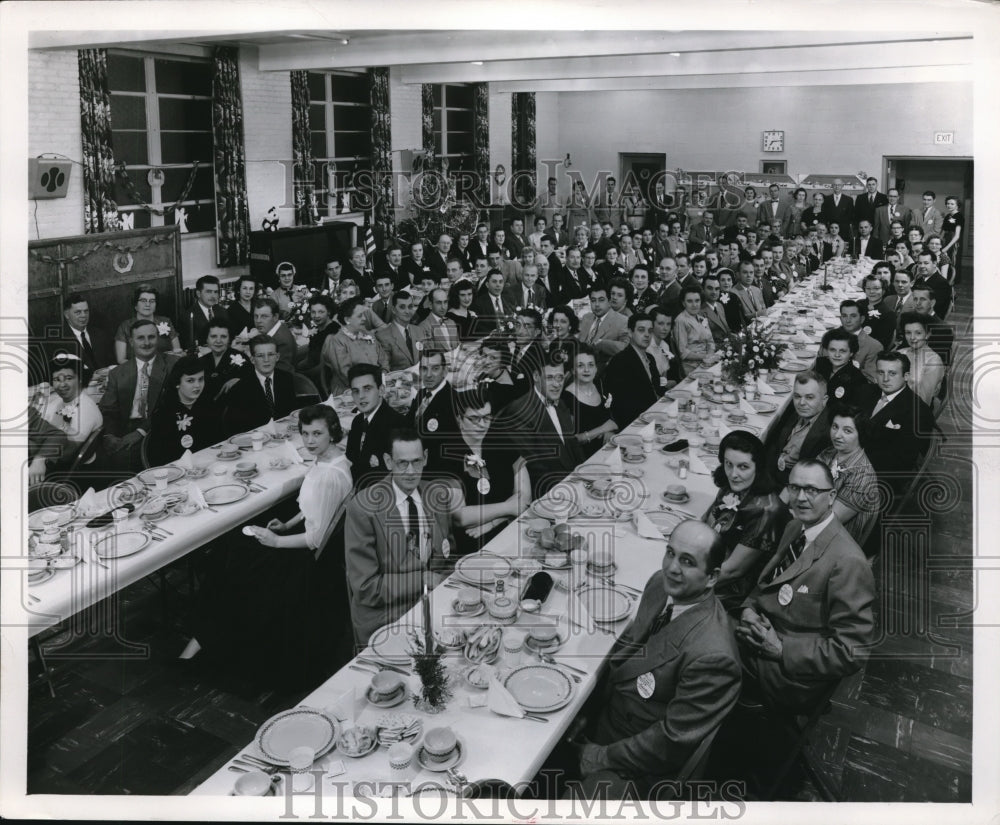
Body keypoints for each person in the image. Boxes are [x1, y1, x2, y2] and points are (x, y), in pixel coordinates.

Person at [180, 405, 353, 687]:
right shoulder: (329, 460)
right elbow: (316, 511)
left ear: (333, 433)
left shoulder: (331, 475)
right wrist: (286, 524)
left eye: (317, 434)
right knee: (234, 548)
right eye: (305, 433)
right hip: (298, 536)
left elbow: (316, 539)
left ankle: (204, 637)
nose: (310, 441)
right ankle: (204, 634)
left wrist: (277, 541)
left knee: (236, 561)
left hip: (309, 560)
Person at [570, 520, 741, 799]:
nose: (672, 568)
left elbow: (671, 743)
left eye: (687, 561)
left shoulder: (714, 656)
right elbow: (626, 661)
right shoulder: (659, 586)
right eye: (670, 553)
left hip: (638, 767)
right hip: (608, 720)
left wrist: (599, 756)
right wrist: (585, 713)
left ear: (712, 577)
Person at [737, 460, 875, 711]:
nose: (800, 498)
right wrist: (748, 609)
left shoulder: (848, 562)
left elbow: (853, 650)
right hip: (758, 637)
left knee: (699, 652)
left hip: (787, 674)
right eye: (794, 488)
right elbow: (767, 584)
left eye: (811, 490)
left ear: (832, 496)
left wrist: (781, 649)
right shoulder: (795, 527)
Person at [345, 429, 458, 645]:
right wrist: (423, 579)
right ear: (388, 462)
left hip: (433, 606)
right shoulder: (363, 508)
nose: (410, 472)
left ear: (425, 458)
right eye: (402, 463)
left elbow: (447, 556)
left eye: (416, 462)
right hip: (388, 617)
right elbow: (366, 588)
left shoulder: (436, 495)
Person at [436, 390, 531, 553]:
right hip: (474, 542)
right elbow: (460, 517)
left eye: (487, 417)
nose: (482, 425)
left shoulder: (500, 438)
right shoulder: (446, 455)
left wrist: (491, 523)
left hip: (510, 526)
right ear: (459, 419)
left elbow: (525, 498)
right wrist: (508, 508)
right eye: (474, 419)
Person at [704, 431, 790, 611]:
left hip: (737, 591)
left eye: (743, 467)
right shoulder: (733, 485)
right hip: (715, 564)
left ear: (757, 467)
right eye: (728, 464)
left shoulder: (767, 510)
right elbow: (711, 524)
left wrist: (691, 579)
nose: (733, 474)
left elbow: (734, 571)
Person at [484, 352, 583, 500]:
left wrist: (586, 473)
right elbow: (535, 469)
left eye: (560, 377)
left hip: (572, 483)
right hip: (549, 494)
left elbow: (573, 445)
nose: (557, 384)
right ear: (536, 377)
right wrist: (572, 488)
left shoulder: (560, 403)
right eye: (549, 378)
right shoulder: (520, 413)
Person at [99, 320, 178, 475]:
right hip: (125, 430)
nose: (147, 343)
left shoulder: (172, 365)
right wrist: (109, 435)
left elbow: (169, 405)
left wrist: (141, 431)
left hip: (157, 428)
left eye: (151, 337)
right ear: (131, 342)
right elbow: (107, 410)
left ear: (158, 338)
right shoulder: (117, 373)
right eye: (140, 338)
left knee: (124, 460)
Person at [862, 351, 936, 490]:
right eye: (880, 372)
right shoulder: (866, 391)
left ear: (906, 376)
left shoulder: (918, 411)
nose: (885, 379)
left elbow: (903, 460)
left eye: (892, 373)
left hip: (879, 477)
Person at [30, 353, 103, 482]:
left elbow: (67, 454)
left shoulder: (86, 409)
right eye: (57, 380)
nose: (62, 385)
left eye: (68, 378)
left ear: (80, 379)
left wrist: (38, 449)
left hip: (68, 473)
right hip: (49, 459)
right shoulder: (58, 400)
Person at [816, 405, 880, 545]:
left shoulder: (863, 476)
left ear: (860, 434)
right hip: (811, 520)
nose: (837, 435)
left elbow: (828, 520)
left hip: (834, 543)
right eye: (835, 427)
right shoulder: (828, 453)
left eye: (847, 431)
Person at [146, 356, 224, 466]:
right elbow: (159, 458)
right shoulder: (164, 414)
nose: (197, 385)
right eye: (190, 380)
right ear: (177, 382)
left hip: (211, 466)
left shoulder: (209, 406)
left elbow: (219, 442)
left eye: (201, 379)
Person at [345, 363, 406, 490]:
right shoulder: (357, 421)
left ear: (381, 390)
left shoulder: (397, 425)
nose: (361, 396)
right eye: (355, 391)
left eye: (367, 389)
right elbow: (352, 461)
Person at [222, 335, 296, 435]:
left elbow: (290, 414)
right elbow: (235, 428)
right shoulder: (240, 388)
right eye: (260, 355)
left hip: (284, 436)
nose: (266, 360)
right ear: (252, 360)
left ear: (277, 357)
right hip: (255, 440)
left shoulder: (286, 379)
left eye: (270, 354)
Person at [406, 346, 460, 478]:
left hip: (433, 473)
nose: (428, 375)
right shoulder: (422, 393)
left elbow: (445, 452)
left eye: (435, 369)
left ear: (445, 371)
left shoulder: (453, 402)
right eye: (424, 369)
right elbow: (407, 423)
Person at [769, 370, 831, 483]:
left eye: (809, 397)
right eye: (797, 396)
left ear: (824, 400)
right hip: (774, 475)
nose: (801, 403)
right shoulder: (796, 414)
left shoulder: (828, 432)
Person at [321, 297, 390, 397]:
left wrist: (383, 375)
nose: (364, 319)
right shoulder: (337, 341)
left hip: (376, 385)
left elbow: (383, 359)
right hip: (350, 392)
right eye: (360, 316)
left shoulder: (368, 334)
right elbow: (346, 375)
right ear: (347, 320)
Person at [559, 341, 618, 457]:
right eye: (580, 365)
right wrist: (602, 429)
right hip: (584, 456)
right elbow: (570, 441)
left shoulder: (599, 385)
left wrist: (608, 432)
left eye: (591, 365)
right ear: (573, 370)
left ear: (596, 368)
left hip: (608, 447)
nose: (587, 370)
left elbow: (611, 419)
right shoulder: (567, 398)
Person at [605, 312, 663, 429]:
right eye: (641, 330)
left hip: (655, 414)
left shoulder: (650, 358)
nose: (647, 335)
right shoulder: (619, 361)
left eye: (650, 331)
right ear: (630, 333)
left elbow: (656, 389)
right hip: (636, 423)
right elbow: (621, 405)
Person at [114, 285, 181, 363]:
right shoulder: (125, 326)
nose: (148, 304)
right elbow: (121, 359)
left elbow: (177, 352)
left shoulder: (166, 322)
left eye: (152, 301)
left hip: (166, 368)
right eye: (143, 301)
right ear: (135, 305)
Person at [815, 328, 876, 408]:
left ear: (851, 353)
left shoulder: (858, 380)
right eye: (832, 350)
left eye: (842, 351)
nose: (837, 355)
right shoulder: (821, 364)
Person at [897, 313, 946, 407]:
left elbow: (924, 400)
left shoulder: (933, 361)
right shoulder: (900, 353)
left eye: (918, 333)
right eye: (908, 333)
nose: (912, 338)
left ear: (927, 335)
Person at [577, 284, 629, 372]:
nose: (596, 305)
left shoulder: (623, 321)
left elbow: (627, 348)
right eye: (593, 300)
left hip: (602, 372)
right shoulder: (586, 317)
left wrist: (601, 343)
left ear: (609, 301)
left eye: (601, 300)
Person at [198, 319, 249, 403]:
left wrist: (240, 382)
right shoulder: (201, 361)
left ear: (229, 339)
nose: (218, 341)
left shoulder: (241, 358)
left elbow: (252, 383)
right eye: (213, 336)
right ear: (207, 339)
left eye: (223, 336)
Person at [673, 285, 719, 377]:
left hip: (707, 363)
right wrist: (706, 356)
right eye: (689, 301)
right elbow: (683, 353)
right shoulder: (680, 320)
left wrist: (710, 354)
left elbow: (710, 341)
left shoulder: (701, 318)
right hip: (691, 368)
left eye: (697, 301)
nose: (694, 305)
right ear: (683, 303)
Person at [62, 293, 115, 371]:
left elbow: (111, 362)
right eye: (78, 312)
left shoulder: (100, 334)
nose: (84, 315)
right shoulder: (60, 341)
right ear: (67, 315)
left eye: (86, 311)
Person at [249, 297, 297, 375]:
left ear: (275, 317)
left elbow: (279, 373)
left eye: (264, 316)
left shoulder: (281, 341)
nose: (258, 321)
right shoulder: (279, 327)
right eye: (256, 316)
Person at [375, 291, 421, 372]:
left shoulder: (418, 330)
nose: (407, 311)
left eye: (410, 306)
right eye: (402, 307)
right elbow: (385, 367)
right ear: (393, 310)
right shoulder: (383, 336)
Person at [185, 275, 229, 349]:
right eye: (209, 292)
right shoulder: (187, 316)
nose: (213, 296)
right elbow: (189, 347)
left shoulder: (222, 311)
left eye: (215, 292)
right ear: (198, 293)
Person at [646, 306, 681, 390]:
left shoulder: (665, 346)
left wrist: (665, 385)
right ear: (651, 324)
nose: (665, 328)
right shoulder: (646, 347)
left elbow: (663, 375)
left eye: (668, 324)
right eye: (661, 323)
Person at [226, 276, 258, 341]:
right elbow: (231, 336)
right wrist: (249, 336)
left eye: (251, 289)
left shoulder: (258, 305)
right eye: (244, 288)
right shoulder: (231, 311)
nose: (248, 292)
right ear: (238, 290)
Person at [940, 195, 964, 284]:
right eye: (948, 203)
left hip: (954, 241)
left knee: (953, 261)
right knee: (945, 260)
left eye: (952, 204)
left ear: (957, 205)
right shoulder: (947, 216)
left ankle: (952, 281)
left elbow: (957, 235)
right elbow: (944, 231)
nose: (949, 205)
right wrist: (940, 242)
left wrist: (947, 247)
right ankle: (945, 278)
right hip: (946, 239)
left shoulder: (959, 216)